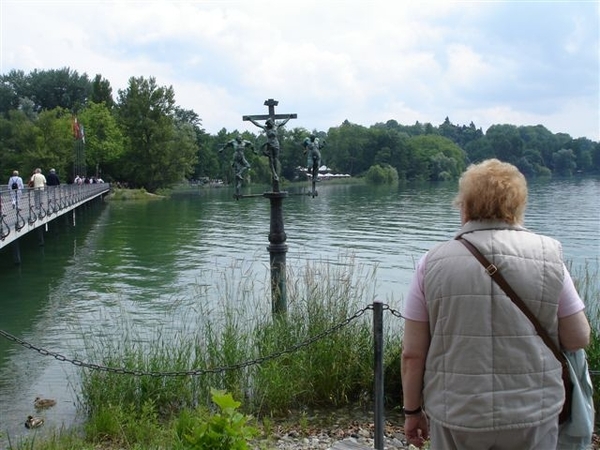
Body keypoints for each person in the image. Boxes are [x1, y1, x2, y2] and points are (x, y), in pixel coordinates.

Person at [401, 158, 590, 450]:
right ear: (517, 206)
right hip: (533, 411)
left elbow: (412, 355)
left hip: (457, 412)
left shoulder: (432, 262)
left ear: (465, 206)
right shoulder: (549, 255)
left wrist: (412, 412)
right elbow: (578, 337)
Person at [246, 117, 291, 183]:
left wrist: (289, 117)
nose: (269, 125)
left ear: (272, 123)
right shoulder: (266, 128)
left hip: (276, 145)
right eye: (268, 124)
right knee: (271, 160)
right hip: (269, 145)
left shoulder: (276, 126)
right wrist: (251, 120)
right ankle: (274, 174)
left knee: (275, 159)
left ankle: (276, 173)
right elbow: (257, 124)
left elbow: (283, 123)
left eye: (269, 123)